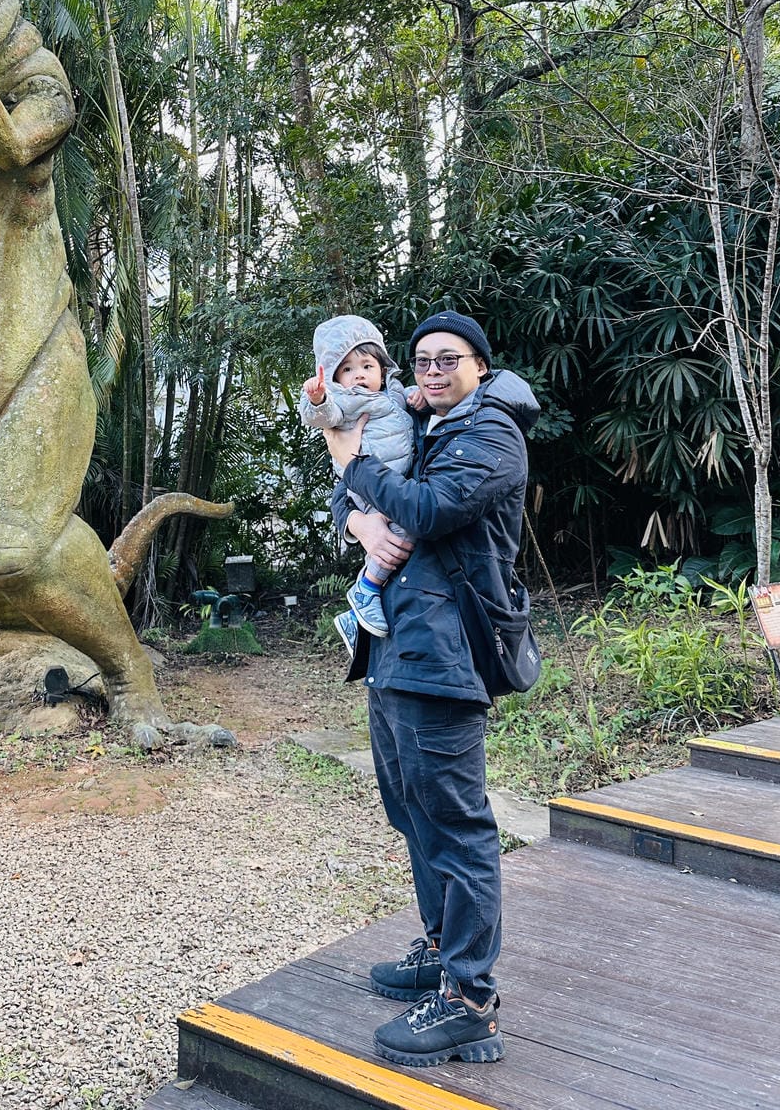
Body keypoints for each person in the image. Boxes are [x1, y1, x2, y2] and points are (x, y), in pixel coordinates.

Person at [323, 310, 538, 1070]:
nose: (433, 370)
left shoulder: (490, 435)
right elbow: (359, 506)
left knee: (456, 824)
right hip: (397, 649)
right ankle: (446, 948)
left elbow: (427, 509)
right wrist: (356, 523)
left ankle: (470, 1003)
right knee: (410, 810)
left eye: (449, 359)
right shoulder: (427, 424)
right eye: (421, 360)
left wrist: (348, 459)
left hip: (445, 660)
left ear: (481, 364)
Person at [297, 316, 421, 648]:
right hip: (368, 487)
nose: (359, 375)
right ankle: (366, 589)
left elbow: (404, 399)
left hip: (391, 483)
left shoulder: (392, 394)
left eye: (367, 365)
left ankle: (354, 618)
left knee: (403, 527)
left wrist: (416, 395)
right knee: (404, 530)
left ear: (382, 368)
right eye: (347, 369)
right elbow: (324, 417)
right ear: (336, 376)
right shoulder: (346, 401)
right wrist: (318, 399)